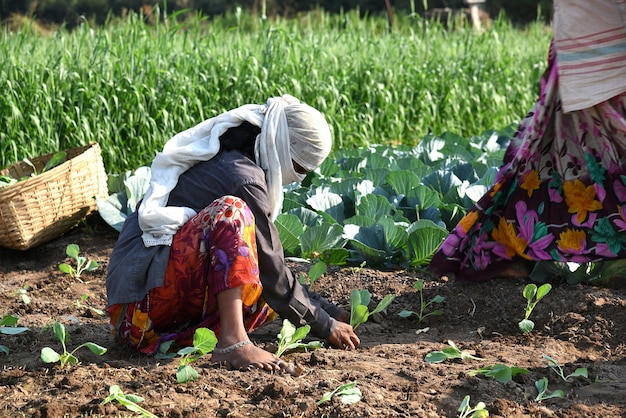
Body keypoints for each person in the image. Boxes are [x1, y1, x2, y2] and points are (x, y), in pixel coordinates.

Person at [106, 95, 360, 372]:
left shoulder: (241, 163)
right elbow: (274, 272)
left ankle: (212, 334)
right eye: (299, 168)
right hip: (139, 311)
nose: (297, 178)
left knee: (259, 282)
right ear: (282, 148)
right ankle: (233, 341)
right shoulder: (243, 177)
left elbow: (269, 266)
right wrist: (324, 324)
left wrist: (330, 312)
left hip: (160, 307)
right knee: (231, 212)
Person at [429, 0, 626, 282]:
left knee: (561, 146)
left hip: (591, 39)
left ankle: (511, 248)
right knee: (559, 147)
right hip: (590, 38)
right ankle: (511, 247)